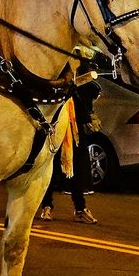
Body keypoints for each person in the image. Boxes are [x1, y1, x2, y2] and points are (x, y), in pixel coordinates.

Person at [37, 70, 102, 224]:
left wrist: (89, 116)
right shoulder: (58, 68)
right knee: (50, 164)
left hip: (75, 126)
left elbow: (87, 94)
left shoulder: (83, 69)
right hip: (56, 121)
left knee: (77, 166)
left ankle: (80, 208)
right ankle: (46, 206)